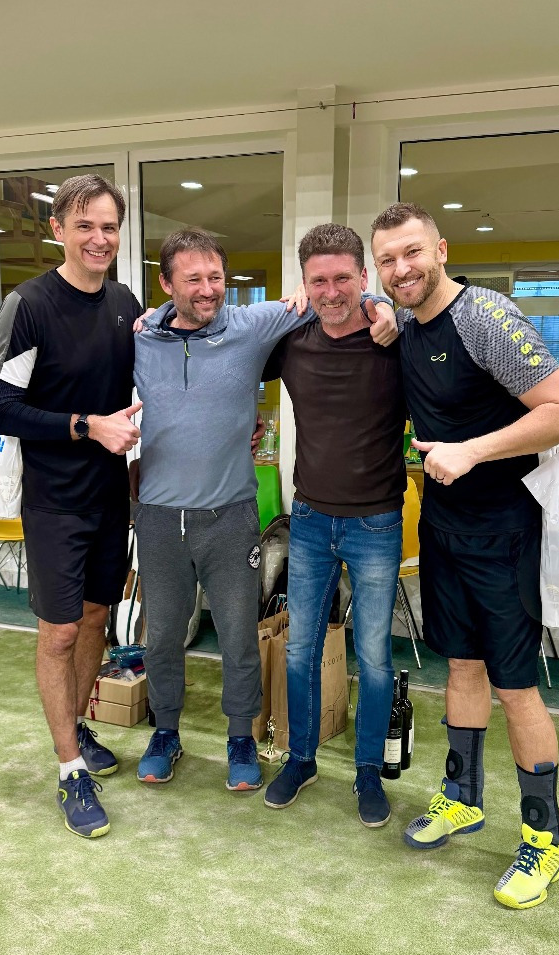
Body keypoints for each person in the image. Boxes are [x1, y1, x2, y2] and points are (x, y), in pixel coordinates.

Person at [370, 202, 559, 909]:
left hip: (505, 532)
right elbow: (379, 310)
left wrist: (472, 450)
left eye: (412, 253)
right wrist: (374, 311)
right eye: (387, 260)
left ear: (441, 249)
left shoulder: (486, 318)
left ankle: (544, 839)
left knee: (515, 685)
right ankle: (462, 797)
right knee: (460, 665)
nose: (401, 269)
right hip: (444, 526)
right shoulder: (407, 322)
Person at [132, 227, 397, 793]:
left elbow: (336, 299)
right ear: (166, 284)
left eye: (216, 277)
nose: (208, 289)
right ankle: (166, 733)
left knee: (238, 637)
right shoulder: (142, 337)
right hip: (158, 516)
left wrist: (383, 304)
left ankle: (241, 738)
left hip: (233, 515)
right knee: (162, 639)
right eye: (193, 279)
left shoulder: (253, 323)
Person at [0, 174, 143, 840]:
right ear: (58, 230)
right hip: (53, 500)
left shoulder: (125, 302)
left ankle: (75, 728)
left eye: (108, 226)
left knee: (96, 619)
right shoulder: (27, 306)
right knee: (58, 633)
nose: (98, 239)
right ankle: (69, 769)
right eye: (85, 226)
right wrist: (88, 426)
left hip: (110, 494)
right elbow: (2, 409)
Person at [261, 223, 406, 828]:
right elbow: (221, 341)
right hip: (311, 519)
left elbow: (434, 314)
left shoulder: (394, 337)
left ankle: (368, 770)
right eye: (317, 281)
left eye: (343, 278)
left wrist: (390, 309)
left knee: (372, 656)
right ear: (304, 284)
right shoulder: (292, 338)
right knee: (300, 648)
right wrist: (157, 318)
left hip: (377, 522)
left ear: (363, 277)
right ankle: (301, 759)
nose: (331, 291)